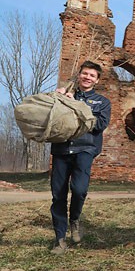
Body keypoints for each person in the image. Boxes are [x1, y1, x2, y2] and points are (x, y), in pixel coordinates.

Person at [50, 60, 111, 254]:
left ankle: (74, 219)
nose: (87, 77)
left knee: (79, 189)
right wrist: (56, 98)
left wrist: (77, 106)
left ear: (97, 80)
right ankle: (60, 239)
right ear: (79, 75)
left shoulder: (102, 102)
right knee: (58, 194)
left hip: (85, 149)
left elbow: (100, 124)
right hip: (61, 149)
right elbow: (50, 115)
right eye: (85, 73)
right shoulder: (65, 94)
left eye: (92, 75)